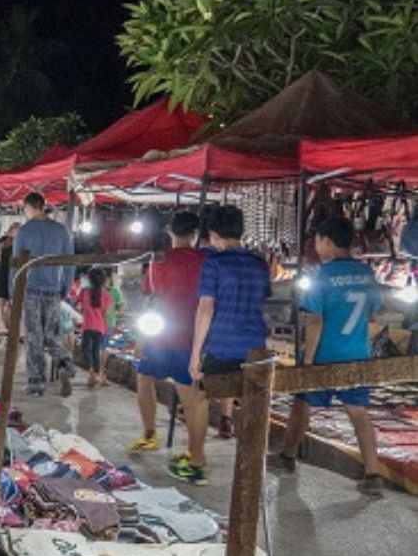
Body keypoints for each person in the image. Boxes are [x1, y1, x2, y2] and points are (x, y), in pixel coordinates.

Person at [278, 218, 387, 496]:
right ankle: (373, 473)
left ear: (326, 241)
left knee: (302, 405)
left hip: (325, 354)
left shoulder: (319, 276)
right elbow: (373, 315)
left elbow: (315, 322)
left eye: (316, 241)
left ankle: (287, 457)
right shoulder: (366, 273)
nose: (315, 246)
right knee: (359, 413)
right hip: (358, 354)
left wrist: (309, 361)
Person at [184, 205, 269, 485]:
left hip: (222, 344)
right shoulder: (260, 264)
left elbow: (205, 308)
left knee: (199, 398)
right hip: (256, 346)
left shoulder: (214, 263)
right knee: (253, 404)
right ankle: (251, 469)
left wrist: (196, 353)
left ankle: (196, 463)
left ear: (213, 233)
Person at [130, 212, 208, 470]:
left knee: (145, 381)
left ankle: (150, 434)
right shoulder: (206, 261)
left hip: (160, 335)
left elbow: (151, 302)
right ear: (195, 234)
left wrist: (141, 339)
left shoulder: (159, 262)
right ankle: (195, 453)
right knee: (192, 399)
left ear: (170, 232)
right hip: (192, 337)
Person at [13, 193, 76, 397]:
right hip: (53, 289)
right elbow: (69, 263)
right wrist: (65, 287)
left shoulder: (23, 231)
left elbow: (17, 265)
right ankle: (65, 366)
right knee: (53, 334)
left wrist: (14, 291)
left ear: (30, 207)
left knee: (34, 336)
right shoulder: (61, 231)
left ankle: (36, 383)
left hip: (31, 289)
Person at [77, 268, 113, 388]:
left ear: (89, 279)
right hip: (100, 326)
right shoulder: (107, 296)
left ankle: (92, 374)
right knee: (95, 351)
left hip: (88, 325)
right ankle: (95, 375)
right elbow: (104, 312)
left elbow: (78, 304)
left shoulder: (84, 292)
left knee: (85, 350)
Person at [0, 223, 18, 336]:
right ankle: (2, 325)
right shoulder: (4, 242)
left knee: (9, 301)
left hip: (9, 274)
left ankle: (7, 325)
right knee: (2, 300)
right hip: (3, 273)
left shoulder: (18, 244)